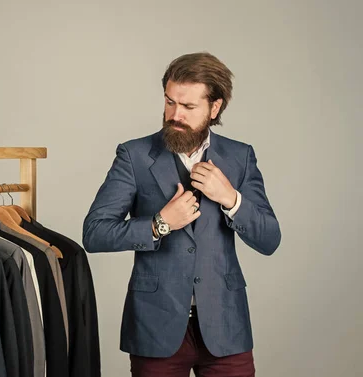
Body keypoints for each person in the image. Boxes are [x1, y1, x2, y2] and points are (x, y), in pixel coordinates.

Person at [82, 52, 281, 377]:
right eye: (170, 102)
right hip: (155, 324)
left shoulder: (240, 157)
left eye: (188, 107)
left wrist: (231, 198)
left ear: (214, 108)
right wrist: (160, 224)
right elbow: (95, 233)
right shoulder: (134, 156)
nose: (175, 114)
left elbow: (270, 239)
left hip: (225, 326)